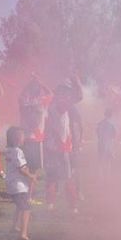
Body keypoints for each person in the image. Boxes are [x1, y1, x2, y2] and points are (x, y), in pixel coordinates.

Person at [44, 76, 82, 214]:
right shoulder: (59, 104)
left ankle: (51, 204)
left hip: (53, 147)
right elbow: (79, 97)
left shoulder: (52, 104)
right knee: (67, 178)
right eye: (65, 91)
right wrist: (77, 81)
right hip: (61, 149)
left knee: (52, 177)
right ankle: (72, 206)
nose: (67, 94)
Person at [18, 73, 53, 204]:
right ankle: (28, 197)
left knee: (26, 168)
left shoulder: (24, 101)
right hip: (36, 141)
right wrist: (40, 82)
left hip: (25, 140)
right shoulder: (41, 102)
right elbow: (50, 94)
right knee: (33, 170)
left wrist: (30, 84)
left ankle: (25, 195)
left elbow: (21, 94)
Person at [4, 126, 37, 240]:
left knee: (19, 206)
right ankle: (23, 235)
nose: (24, 138)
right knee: (26, 208)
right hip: (18, 185)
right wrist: (31, 176)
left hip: (12, 183)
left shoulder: (8, 150)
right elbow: (21, 169)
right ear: (16, 138)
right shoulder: (18, 151)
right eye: (22, 136)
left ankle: (13, 226)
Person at [96, 108, 117, 179]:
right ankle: (108, 176)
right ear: (111, 115)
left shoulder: (100, 123)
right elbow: (114, 134)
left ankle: (100, 176)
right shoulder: (111, 124)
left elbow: (97, 133)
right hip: (108, 144)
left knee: (101, 160)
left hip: (101, 143)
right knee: (108, 161)